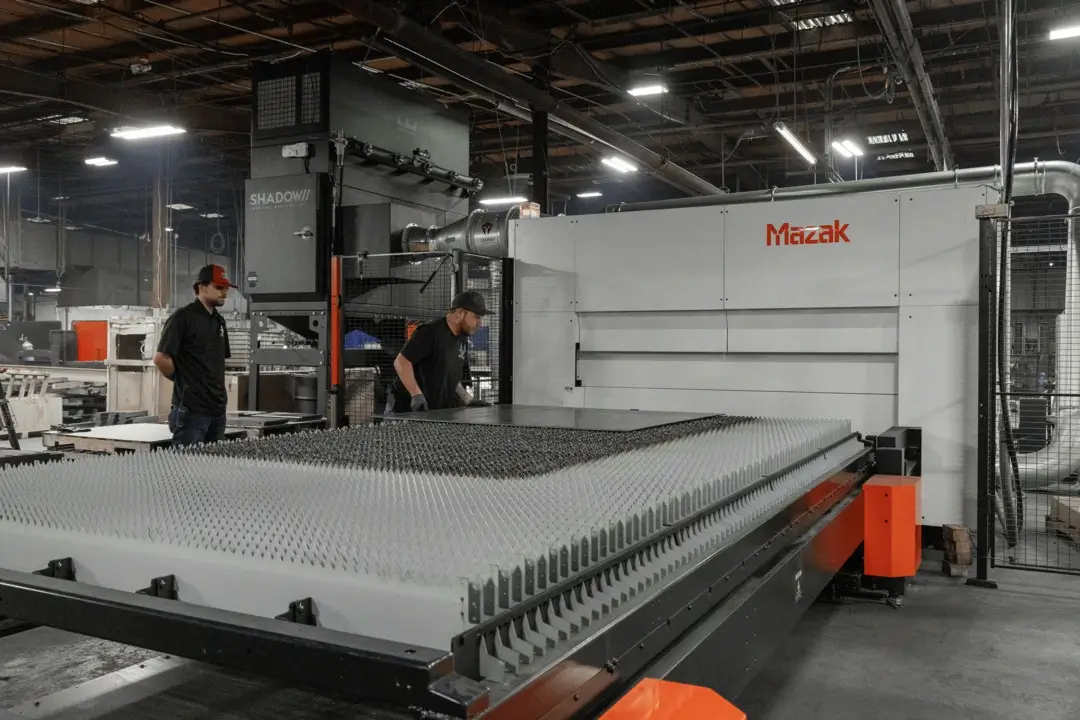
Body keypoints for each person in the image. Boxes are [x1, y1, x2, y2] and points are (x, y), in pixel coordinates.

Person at [153, 264, 235, 446]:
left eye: (226, 289)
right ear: (202, 287)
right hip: (192, 412)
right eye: (219, 287)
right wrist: (183, 380)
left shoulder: (219, 322)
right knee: (186, 470)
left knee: (212, 469)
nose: (224, 293)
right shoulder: (183, 318)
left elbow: (219, 362)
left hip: (217, 410)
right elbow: (161, 358)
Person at [386, 290, 486, 414]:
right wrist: (416, 394)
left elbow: (452, 378)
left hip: (433, 412)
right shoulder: (431, 332)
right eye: (477, 317)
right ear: (460, 313)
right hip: (407, 410)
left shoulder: (462, 340)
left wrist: (467, 399)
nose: (480, 323)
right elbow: (401, 362)